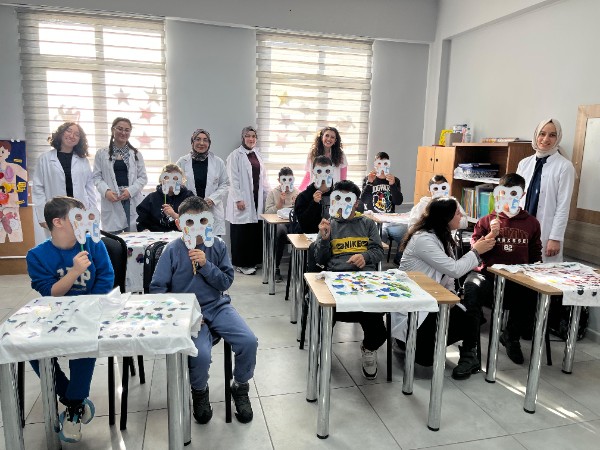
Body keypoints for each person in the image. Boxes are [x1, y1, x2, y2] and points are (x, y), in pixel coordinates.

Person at [150, 196, 258, 425]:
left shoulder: (217, 246)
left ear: (210, 222)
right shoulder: (172, 250)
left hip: (217, 306)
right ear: (179, 223)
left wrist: (206, 265)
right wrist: (183, 314)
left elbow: (226, 282)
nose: (197, 228)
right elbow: (157, 289)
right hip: (187, 313)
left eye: (203, 221)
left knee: (248, 341)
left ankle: (240, 386)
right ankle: (199, 391)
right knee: (200, 354)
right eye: (190, 222)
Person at [26, 196, 114, 443]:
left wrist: (89, 306)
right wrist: (75, 271)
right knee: (32, 349)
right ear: (58, 222)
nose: (84, 222)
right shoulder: (36, 255)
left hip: (90, 312)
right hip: (55, 312)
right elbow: (49, 293)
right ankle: (72, 398)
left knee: (84, 344)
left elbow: (106, 276)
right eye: (77, 217)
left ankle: (74, 406)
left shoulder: (93, 244)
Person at [390, 196, 495, 369]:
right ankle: (404, 342)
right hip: (417, 304)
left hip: (433, 300)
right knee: (425, 360)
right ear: (445, 217)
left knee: (471, 317)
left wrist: (451, 296)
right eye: (457, 213)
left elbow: (449, 278)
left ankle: (469, 355)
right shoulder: (424, 239)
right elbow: (454, 269)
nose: (461, 216)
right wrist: (476, 252)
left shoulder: (442, 236)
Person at [458, 173, 542, 373]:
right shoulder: (486, 220)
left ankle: (511, 335)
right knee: (471, 289)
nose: (508, 198)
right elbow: (474, 250)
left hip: (517, 278)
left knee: (534, 293)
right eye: (504, 193)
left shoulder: (531, 223)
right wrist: (491, 234)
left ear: (522, 195)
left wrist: (538, 273)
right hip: (487, 275)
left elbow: (535, 255)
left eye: (514, 194)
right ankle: (469, 350)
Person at [314, 180, 386, 379]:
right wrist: (324, 239)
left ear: (356, 202)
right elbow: (319, 260)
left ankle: (369, 348)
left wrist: (366, 257)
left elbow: (378, 251)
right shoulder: (329, 224)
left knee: (379, 330)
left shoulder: (367, 224)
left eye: (347, 199)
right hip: (336, 282)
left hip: (365, 281)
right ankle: (322, 348)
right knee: (322, 317)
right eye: (337, 198)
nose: (342, 203)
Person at [517, 118, 575, 262]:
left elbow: (563, 206)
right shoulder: (524, 163)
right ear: (536, 135)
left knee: (541, 271)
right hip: (521, 228)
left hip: (546, 232)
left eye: (552, 135)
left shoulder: (565, 166)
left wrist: (555, 238)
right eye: (542, 133)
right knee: (517, 269)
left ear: (558, 138)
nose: (546, 139)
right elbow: (515, 199)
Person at [32, 122, 97, 234]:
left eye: (77, 134)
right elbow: (38, 189)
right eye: (69, 131)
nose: (72, 136)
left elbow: (89, 187)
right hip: (55, 212)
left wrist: (93, 211)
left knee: (81, 241)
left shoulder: (83, 160)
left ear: (79, 140)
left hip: (80, 212)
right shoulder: (45, 159)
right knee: (58, 242)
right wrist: (42, 216)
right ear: (61, 133)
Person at [225, 126, 270, 275]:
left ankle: (253, 261)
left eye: (253, 136)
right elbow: (232, 179)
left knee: (254, 231)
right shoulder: (235, 155)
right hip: (242, 200)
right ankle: (242, 264)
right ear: (243, 138)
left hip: (257, 199)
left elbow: (263, 178)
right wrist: (238, 199)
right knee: (242, 232)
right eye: (248, 136)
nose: (251, 139)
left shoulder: (257, 154)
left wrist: (268, 195)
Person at [93, 117, 147, 233]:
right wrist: (106, 191)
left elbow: (143, 178)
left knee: (133, 237)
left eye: (127, 130)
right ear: (113, 130)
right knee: (114, 238)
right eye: (120, 129)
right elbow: (97, 177)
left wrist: (130, 191)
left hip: (131, 198)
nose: (123, 133)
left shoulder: (136, 154)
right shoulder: (101, 153)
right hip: (112, 198)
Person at [176, 129, 230, 236]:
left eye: (205, 140)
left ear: (209, 143)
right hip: (190, 211)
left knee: (211, 243)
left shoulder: (218, 162)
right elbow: (176, 185)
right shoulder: (182, 162)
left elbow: (225, 184)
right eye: (198, 139)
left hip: (211, 211)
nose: (201, 143)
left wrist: (212, 199)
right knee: (191, 243)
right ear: (192, 142)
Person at [360, 151, 405, 263]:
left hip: (391, 220)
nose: (382, 166)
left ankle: (398, 261)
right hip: (374, 219)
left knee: (407, 235)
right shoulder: (368, 179)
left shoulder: (394, 180)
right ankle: (376, 265)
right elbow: (363, 201)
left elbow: (398, 201)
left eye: (385, 163)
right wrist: (369, 183)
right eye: (379, 163)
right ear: (375, 164)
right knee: (380, 235)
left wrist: (392, 185)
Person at [264, 167, 300, 282]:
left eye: (290, 179)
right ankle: (276, 267)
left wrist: (297, 204)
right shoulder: (273, 193)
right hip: (278, 224)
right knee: (281, 231)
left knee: (301, 232)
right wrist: (280, 203)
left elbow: (302, 212)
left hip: (292, 223)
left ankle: (299, 267)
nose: (287, 183)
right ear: (279, 180)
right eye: (284, 179)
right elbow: (267, 212)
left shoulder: (297, 192)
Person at [136, 163, 194, 232]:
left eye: (177, 179)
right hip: (156, 235)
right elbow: (141, 221)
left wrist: (174, 215)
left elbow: (194, 220)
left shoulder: (188, 197)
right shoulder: (152, 198)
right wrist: (145, 231)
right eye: (169, 179)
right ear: (162, 180)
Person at [294, 155, 335, 234]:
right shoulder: (303, 197)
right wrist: (314, 203)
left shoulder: (337, 195)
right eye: (319, 171)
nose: (323, 175)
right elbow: (303, 225)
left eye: (327, 171)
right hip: (309, 236)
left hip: (333, 236)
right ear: (313, 172)